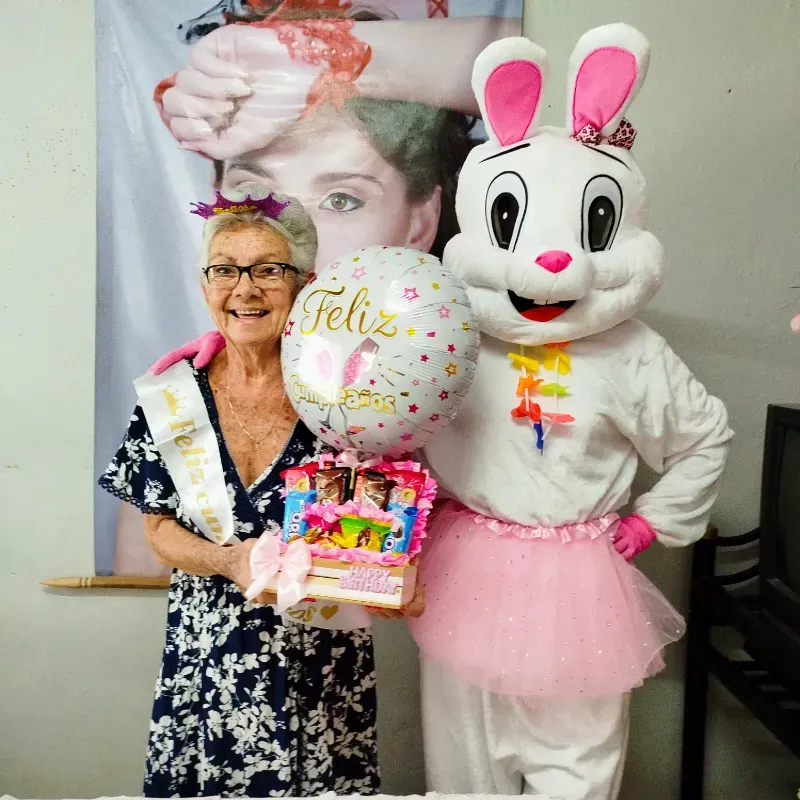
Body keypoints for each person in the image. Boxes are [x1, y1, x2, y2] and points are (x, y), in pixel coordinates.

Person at [100, 184, 422, 797]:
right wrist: (228, 559)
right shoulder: (173, 395)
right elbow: (158, 529)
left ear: (304, 281)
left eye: (268, 270)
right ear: (205, 285)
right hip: (207, 656)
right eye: (225, 270)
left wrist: (389, 574)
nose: (244, 289)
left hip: (320, 657)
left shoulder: (347, 396)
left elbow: (385, 514)